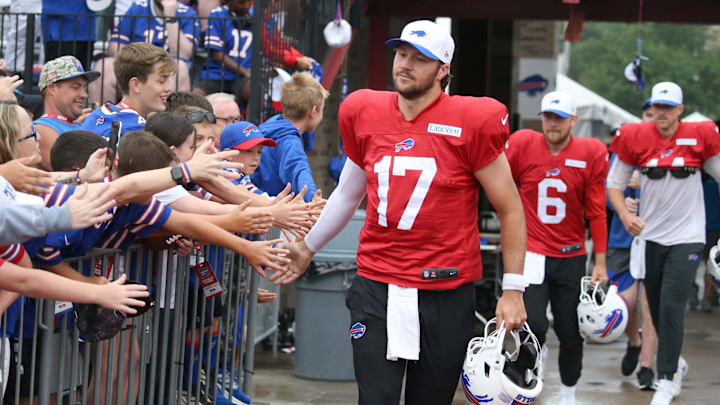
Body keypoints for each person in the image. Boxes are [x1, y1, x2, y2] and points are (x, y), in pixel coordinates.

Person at [278, 20, 527, 405]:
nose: (405, 64)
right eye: (401, 53)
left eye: (420, 58)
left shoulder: (472, 121)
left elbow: (510, 209)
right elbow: (347, 194)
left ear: (443, 70)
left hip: (445, 287)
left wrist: (513, 289)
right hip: (379, 281)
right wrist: (307, 246)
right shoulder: (364, 109)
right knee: (375, 398)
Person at [607, 81, 720, 405]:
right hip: (650, 236)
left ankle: (667, 377)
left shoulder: (699, 137)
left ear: (680, 110)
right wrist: (626, 216)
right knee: (655, 310)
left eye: (669, 108)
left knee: (672, 305)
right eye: (658, 107)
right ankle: (675, 359)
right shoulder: (635, 137)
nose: (662, 113)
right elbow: (614, 185)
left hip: (687, 237)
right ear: (652, 107)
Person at [506, 90, 609, 405]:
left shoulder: (589, 152)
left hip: (570, 255)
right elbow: (501, 188)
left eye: (560, 118)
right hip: (533, 252)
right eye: (548, 117)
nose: (552, 124)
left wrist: (600, 262)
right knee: (532, 322)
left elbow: (596, 211)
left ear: (573, 120)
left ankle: (568, 390)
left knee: (570, 329)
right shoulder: (524, 144)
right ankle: (530, 369)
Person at [607, 99, 659, 390]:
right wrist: (621, 203)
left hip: (656, 236)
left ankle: (647, 365)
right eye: (649, 114)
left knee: (650, 302)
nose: (653, 119)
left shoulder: (673, 150)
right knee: (622, 302)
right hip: (622, 237)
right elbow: (605, 188)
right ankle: (634, 341)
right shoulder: (627, 144)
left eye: (659, 114)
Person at [90, 0, 199, 104]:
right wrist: (140, 60)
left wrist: (170, 18)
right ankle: (101, 119)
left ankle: (169, 122)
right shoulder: (137, 8)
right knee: (104, 65)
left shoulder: (188, 13)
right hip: (135, 66)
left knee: (181, 67)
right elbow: (115, 48)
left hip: (166, 71)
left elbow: (184, 54)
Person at [250, 72, 324, 202]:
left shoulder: (272, 124)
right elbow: (298, 169)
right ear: (313, 111)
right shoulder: (290, 140)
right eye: (322, 110)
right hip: (270, 212)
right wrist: (312, 197)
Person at [81, 42, 176, 138]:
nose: (169, 88)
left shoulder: (95, 116)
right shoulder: (137, 129)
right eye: (161, 81)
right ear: (135, 85)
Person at [35, 56, 101, 171]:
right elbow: (72, 174)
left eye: (84, 87)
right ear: (52, 88)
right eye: (76, 87)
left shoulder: (79, 125)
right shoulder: (42, 129)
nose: (84, 94)